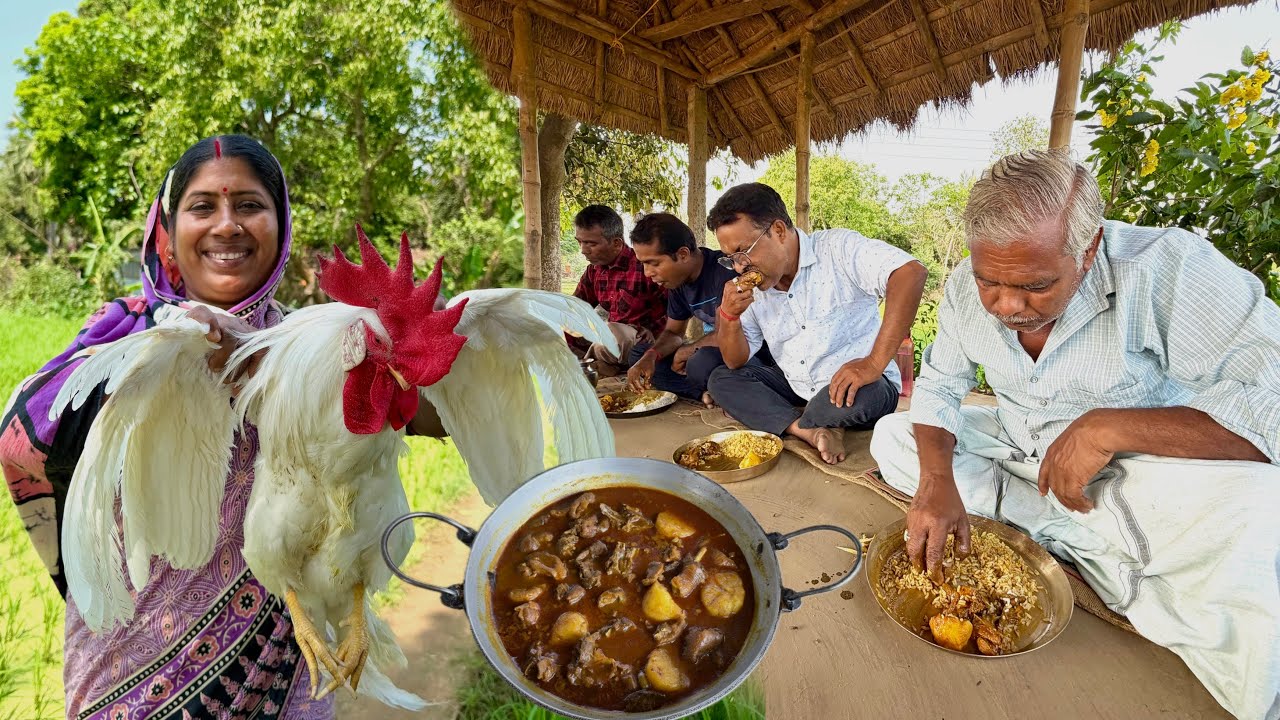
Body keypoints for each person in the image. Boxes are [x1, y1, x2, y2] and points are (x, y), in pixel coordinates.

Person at [0, 135, 438, 719]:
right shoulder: (124, 334)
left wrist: (272, 362)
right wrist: (165, 361)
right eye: (203, 207)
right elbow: (20, 441)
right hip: (134, 663)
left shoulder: (319, 342)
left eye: (250, 206)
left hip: (288, 660)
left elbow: (424, 414)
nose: (227, 225)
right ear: (169, 232)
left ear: (280, 226)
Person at [869, 149, 1280, 720]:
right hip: (1017, 450)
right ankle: (1087, 541)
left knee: (1265, 512)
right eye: (991, 281)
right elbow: (938, 386)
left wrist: (1109, 427)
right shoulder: (967, 286)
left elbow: (1273, 405)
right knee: (893, 434)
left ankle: (1068, 530)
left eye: (1036, 286)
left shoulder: (1168, 268)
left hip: (1139, 472)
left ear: (1088, 251)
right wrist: (937, 479)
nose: (1008, 306)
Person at [708, 182, 927, 464]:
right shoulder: (754, 289)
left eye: (742, 252)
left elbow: (910, 273)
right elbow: (735, 361)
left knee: (858, 398)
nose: (739, 267)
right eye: (731, 260)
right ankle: (808, 430)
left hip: (860, 387)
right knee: (721, 379)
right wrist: (729, 316)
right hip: (796, 386)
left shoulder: (838, 249)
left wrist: (873, 364)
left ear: (777, 231)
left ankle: (791, 417)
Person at [625, 212, 772, 406]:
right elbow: (673, 332)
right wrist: (651, 356)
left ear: (683, 254)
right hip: (716, 358)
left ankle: (713, 390)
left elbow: (726, 337)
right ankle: (704, 392)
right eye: (643, 264)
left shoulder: (725, 271)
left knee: (701, 361)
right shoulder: (677, 282)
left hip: (752, 357)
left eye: (654, 263)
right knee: (639, 355)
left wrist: (687, 351)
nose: (647, 273)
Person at [569, 204, 668, 376]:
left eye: (590, 243)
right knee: (558, 330)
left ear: (616, 243)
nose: (583, 251)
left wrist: (652, 330)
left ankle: (588, 368)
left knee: (614, 333)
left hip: (643, 344)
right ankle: (596, 366)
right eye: (580, 242)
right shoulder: (593, 271)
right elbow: (575, 308)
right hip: (610, 344)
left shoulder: (644, 267)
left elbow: (677, 309)